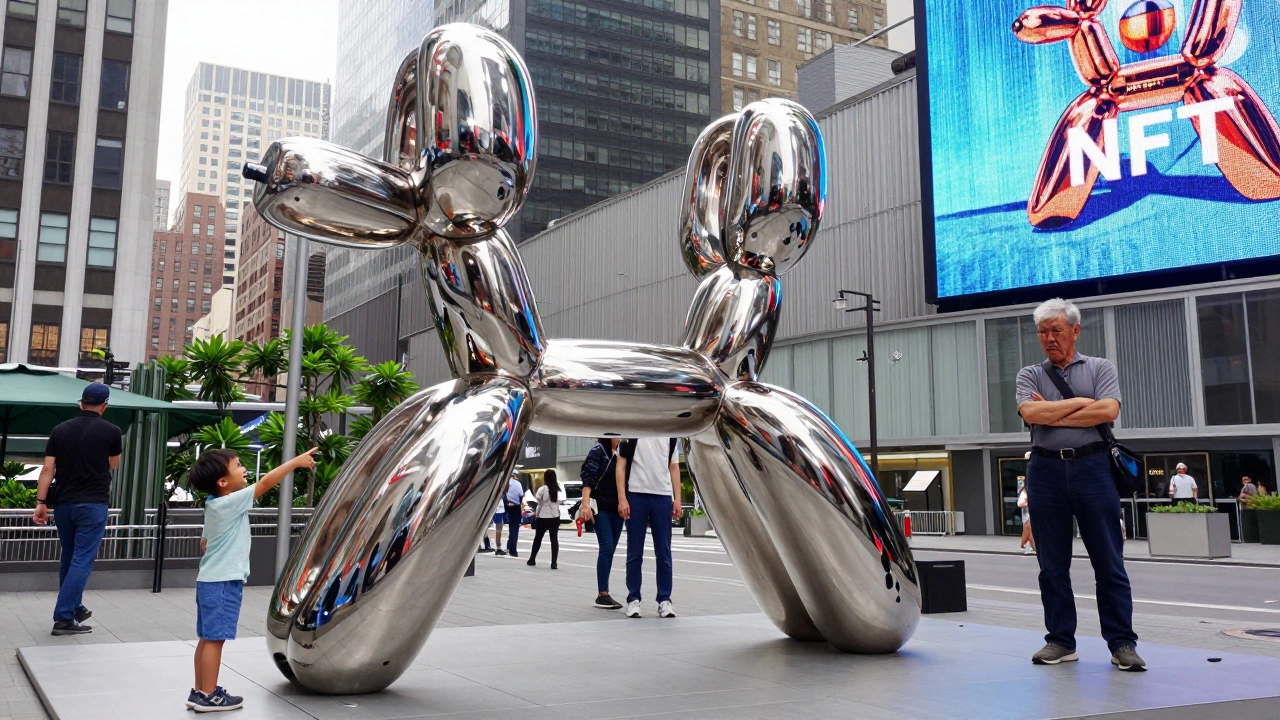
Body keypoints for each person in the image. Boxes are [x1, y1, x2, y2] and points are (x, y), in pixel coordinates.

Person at [1016, 298, 1144, 672]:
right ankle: (1060, 640)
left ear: (1075, 330)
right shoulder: (1029, 374)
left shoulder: (1100, 367)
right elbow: (1029, 412)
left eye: (1056, 330)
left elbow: (1108, 411)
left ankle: (1122, 643)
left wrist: (1051, 414)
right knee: (1051, 565)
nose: (1049, 338)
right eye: (1043, 332)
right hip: (1045, 471)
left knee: (1109, 561)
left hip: (1093, 468)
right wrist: (1081, 406)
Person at [186, 446, 317, 712]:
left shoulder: (214, 505)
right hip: (223, 583)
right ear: (223, 482)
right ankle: (209, 695)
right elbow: (266, 483)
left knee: (206, 638)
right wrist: (295, 463)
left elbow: (205, 540)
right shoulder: (229, 501)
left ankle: (200, 691)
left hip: (210, 581)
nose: (243, 468)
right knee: (215, 639)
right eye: (237, 466)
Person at [31, 383, 122, 637]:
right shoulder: (112, 431)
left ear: (81, 403)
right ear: (104, 405)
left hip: (63, 504)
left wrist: (41, 503)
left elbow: (48, 470)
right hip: (93, 504)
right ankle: (63, 618)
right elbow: (113, 465)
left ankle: (75, 607)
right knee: (82, 560)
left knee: (69, 558)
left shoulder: (60, 430)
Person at [617, 437, 681, 619]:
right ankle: (634, 599)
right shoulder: (630, 434)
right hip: (636, 494)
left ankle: (664, 599)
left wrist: (677, 498)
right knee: (634, 552)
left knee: (664, 552)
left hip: (662, 496)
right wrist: (622, 498)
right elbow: (620, 466)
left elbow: (674, 467)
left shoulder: (671, 436)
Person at [579, 438, 623, 609]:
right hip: (601, 509)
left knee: (610, 550)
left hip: (617, 509)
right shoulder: (598, 451)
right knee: (606, 548)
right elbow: (587, 478)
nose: (620, 439)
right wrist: (585, 504)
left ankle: (604, 591)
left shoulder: (622, 454)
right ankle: (602, 594)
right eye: (617, 435)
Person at [527, 470, 562, 568]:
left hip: (543, 516)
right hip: (555, 516)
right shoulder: (558, 490)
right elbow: (559, 502)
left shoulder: (542, 489)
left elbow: (539, 503)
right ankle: (554, 562)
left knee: (538, 538)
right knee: (554, 539)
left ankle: (532, 559)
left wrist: (536, 515)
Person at [503, 472, 526, 558]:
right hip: (515, 507)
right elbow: (521, 495)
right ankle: (513, 550)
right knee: (514, 529)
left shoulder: (504, 482)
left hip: (506, 507)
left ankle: (509, 546)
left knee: (510, 529)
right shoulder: (517, 483)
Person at [1018, 480, 1034, 555]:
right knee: (1028, 531)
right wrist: (1027, 502)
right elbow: (1020, 504)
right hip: (1027, 516)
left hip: (1029, 515)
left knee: (1029, 531)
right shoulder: (1025, 493)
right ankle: (1029, 546)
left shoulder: (1028, 492)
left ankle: (1030, 546)